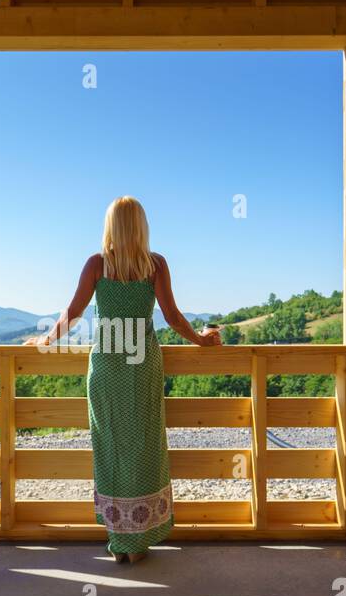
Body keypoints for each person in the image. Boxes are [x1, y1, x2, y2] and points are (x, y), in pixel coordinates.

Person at [27, 196, 221, 564]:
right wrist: (201, 340)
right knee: (145, 446)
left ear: (110, 226)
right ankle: (140, 539)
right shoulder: (156, 265)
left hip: (107, 367)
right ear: (141, 225)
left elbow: (73, 312)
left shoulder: (97, 264)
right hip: (144, 365)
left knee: (111, 447)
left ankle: (120, 539)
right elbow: (174, 317)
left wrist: (46, 340)